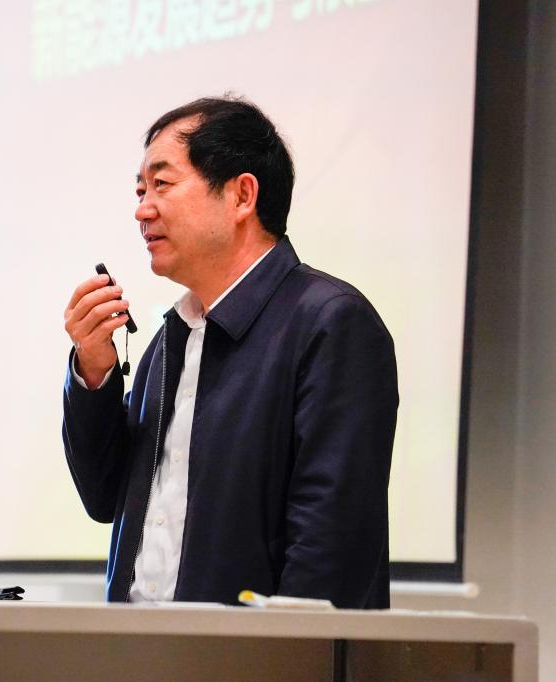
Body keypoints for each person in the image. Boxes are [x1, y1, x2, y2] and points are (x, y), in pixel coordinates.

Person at [62, 96, 398, 608]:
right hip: (137, 643)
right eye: (140, 190)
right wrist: (93, 373)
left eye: (162, 184)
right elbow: (104, 497)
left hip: (250, 649)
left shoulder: (331, 323)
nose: (142, 209)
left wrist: (280, 648)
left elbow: (330, 545)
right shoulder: (169, 341)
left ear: (242, 195)